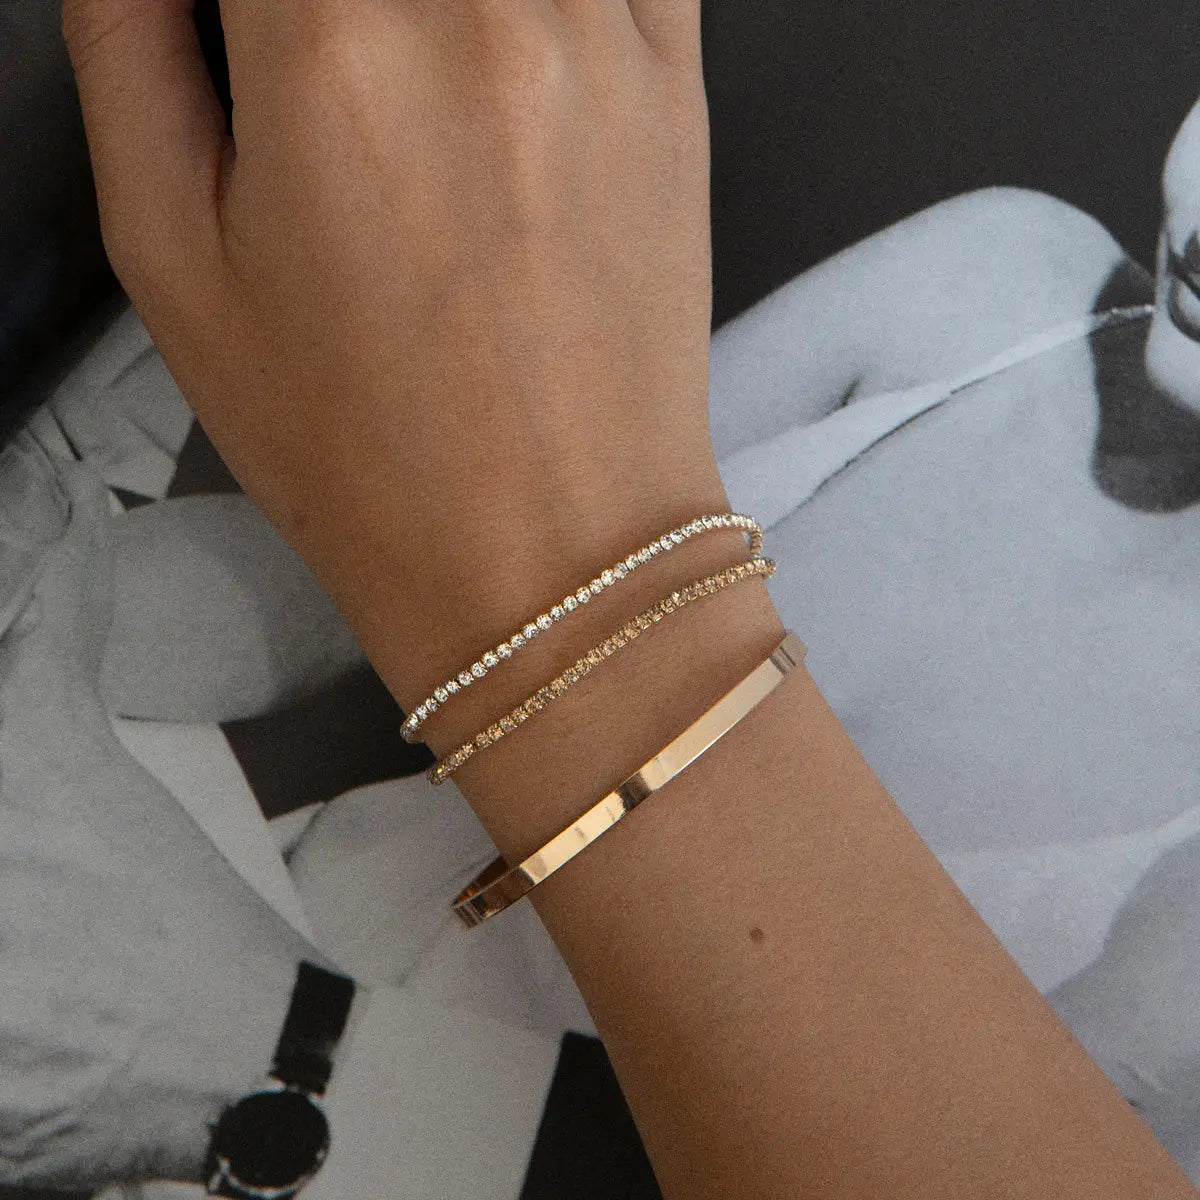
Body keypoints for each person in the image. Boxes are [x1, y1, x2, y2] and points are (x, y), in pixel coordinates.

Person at [27, 0, 1200, 1197]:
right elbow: (356, 581)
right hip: (154, 922)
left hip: (296, 1110)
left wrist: (270, 1053)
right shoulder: (1001, 277)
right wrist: (56, 601)